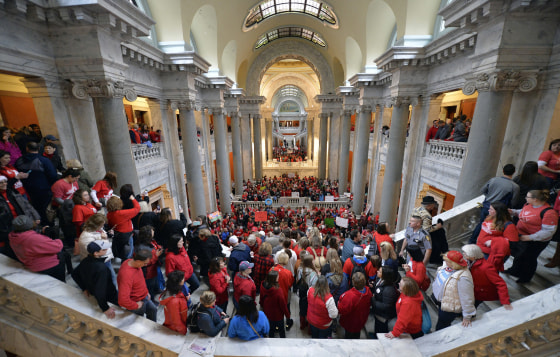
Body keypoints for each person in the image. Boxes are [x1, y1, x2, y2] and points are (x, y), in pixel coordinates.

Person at [506, 189, 558, 283]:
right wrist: (513, 212)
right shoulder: (528, 204)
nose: (525, 198)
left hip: (536, 241)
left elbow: (548, 231)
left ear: (535, 199)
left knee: (529, 258)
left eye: (528, 197)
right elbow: (524, 212)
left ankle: (526, 277)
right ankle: (515, 270)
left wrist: (530, 237)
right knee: (519, 255)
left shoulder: (549, 213)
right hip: (522, 235)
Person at [469, 164, 520, 244]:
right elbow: (514, 202)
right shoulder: (515, 186)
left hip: (486, 206)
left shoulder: (493, 180)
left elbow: (482, 190)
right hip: (499, 210)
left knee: (482, 223)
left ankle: (472, 241)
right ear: (514, 172)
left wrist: (489, 196)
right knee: (495, 227)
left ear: (503, 170)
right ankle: (486, 243)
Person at [8, 215, 66, 282]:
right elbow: (57, 247)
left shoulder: (13, 237)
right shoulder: (32, 238)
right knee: (62, 256)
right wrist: (57, 239)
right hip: (46, 266)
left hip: (29, 263)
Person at [71, 240, 118, 319]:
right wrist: (105, 308)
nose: (107, 249)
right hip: (109, 296)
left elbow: (74, 274)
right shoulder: (101, 268)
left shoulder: (85, 260)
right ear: (96, 253)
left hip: (92, 290)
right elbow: (100, 291)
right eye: (104, 249)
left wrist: (84, 288)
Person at [432, 251, 476, 330]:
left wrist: (467, 316)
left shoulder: (463, 278)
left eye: (447, 260)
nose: (444, 261)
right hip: (442, 300)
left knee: (442, 325)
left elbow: (467, 298)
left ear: (453, 263)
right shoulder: (446, 266)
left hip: (449, 307)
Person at [15, 141, 57, 224]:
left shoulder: (19, 161)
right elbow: (53, 175)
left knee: (33, 210)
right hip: (44, 189)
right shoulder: (44, 160)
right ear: (39, 148)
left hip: (26, 190)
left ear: (27, 149)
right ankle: (48, 227)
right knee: (46, 211)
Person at [462, 244, 512, 310]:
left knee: (472, 305)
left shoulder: (487, 268)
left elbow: (500, 284)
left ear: (473, 256)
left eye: (465, 253)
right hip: (473, 289)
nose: (463, 254)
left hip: (481, 292)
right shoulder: (469, 261)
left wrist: (505, 301)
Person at [0, 175, 40, 257]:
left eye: (5, 182)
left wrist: (35, 216)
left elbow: (27, 205)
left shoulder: (13, 192)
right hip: (8, 227)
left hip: (23, 222)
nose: (4, 184)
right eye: (1, 183)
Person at [117, 249, 157, 322]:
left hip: (144, 297)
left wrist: (146, 292)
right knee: (138, 322)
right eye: (145, 263)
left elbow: (140, 280)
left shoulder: (132, 262)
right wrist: (135, 305)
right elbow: (122, 300)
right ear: (138, 261)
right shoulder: (127, 275)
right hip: (136, 302)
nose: (146, 265)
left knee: (153, 310)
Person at [337, 272, 372, 339]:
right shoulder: (368, 292)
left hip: (351, 322)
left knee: (349, 337)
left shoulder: (350, 296)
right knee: (356, 335)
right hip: (361, 320)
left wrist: (338, 303)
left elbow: (342, 310)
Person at [135, 225, 163, 304]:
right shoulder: (141, 247)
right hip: (147, 272)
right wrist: (156, 256)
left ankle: (156, 291)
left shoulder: (150, 241)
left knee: (154, 283)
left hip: (153, 269)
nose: (153, 231)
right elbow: (144, 262)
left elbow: (154, 247)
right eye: (152, 231)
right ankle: (151, 301)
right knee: (149, 287)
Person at [106, 195, 140, 260]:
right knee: (128, 253)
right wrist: (133, 199)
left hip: (118, 235)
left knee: (123, 252)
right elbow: (137, 209)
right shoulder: (122, 213)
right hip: (127, 236)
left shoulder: (109, 214)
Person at [260, 270, 290, 338]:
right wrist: (287, 315)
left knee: (271, 329)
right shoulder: (278, 291)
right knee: (281, 330)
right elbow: (283, 305)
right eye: (278, 276)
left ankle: (271, 340)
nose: (278, 277)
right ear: (274, 279)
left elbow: (261, 298)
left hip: (267, 311)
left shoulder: (263, 286)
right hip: (277, 314)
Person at [159, 270, 190, 334]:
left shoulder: (173, 290)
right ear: (179, 282)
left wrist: (185, 299)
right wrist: (183, 331)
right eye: (183, 278)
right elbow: (176, 321)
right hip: (175, 329)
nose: (184, 279)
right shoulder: (173, 302)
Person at [372, 266, 399, 335]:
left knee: (381, 329)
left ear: (385, 275)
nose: (377, 271)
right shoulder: (380, 279)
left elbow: (386, 306)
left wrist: (373, 300)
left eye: (380, 271)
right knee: (377, 325)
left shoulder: (389, 290)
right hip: (378, 311)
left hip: (383, 315)